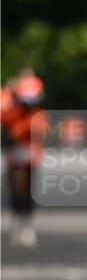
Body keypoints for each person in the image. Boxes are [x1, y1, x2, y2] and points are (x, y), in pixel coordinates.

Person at [1, 70, 47, 248]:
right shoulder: (11, 112)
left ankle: (27, 225)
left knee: (28, 190)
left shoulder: (38, 114)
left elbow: (41, 130)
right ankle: (16, 222)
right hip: (15, 151)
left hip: (30, 150)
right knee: (14, 189)